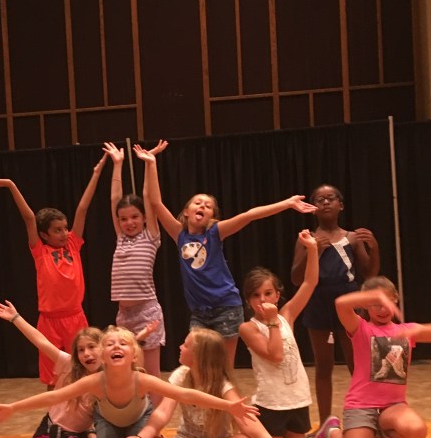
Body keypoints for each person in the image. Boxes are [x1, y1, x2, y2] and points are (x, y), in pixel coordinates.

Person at [0, 324, 258, 438]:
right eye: (110, 345)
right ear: (103, 356)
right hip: (108, 423)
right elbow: (55, 396)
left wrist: (228, 405)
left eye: (123, 345)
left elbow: (186, 395)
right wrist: (14, 407)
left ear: (134, 355)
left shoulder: (142, 379)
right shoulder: (96, 380)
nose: (116, 347)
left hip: (137, 423)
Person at [135, 143, 316, 369]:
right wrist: (151, 163)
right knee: (197, 364)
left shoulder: (214, 233)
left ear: (212, 216)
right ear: (186, 212)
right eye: (198, 203)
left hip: (226, 307)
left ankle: (224, 394)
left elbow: (249, 215)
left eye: (208, 206)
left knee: (224, 368)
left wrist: (287, 204)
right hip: (199, 312)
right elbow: (155, 202)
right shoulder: (179, 234)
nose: (203, 206)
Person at [0, 153, 107, 387]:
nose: (64, 233)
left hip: (75, 317)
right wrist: (11, 185)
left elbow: (82, 208)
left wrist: (96, 173)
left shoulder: (73, 244)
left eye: (65, 228)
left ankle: (86, 407)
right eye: (57, 230)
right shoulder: (40, 251)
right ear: (44, 234)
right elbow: (29, 217)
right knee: (53, 377)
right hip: (49, 321)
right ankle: (54, 409)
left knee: (84, 371)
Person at [120, 327, 296, 438]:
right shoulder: (180, 375)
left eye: (185, 345)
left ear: (198, 356)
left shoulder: (223, 384)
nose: (180, 347)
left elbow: (247, 420)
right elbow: (163, 413)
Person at [314, 276, 431, 438]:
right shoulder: (360, 327)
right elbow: (341, 304)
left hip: (393, 407)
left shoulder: (405, 330)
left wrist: (417, 332)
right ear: (365, 305)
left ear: (395, 300)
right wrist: (375, 296)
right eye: (375, 305)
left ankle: (386, 436)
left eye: (387, 302)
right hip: (361, 405)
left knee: (417, 432)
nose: (382, 309)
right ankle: (332, 431)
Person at [290, 183, 379, 438]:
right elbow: (296, 278)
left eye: (331, 198)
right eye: (320, 199)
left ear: (341, 205)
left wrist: (374, 248)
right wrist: (314, 251)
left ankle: (366, 425)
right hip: (318, 301)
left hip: (348, 302)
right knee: (323, 366)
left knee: (357, 365)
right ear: (313, 208)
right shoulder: (306, 238)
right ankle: (324, 425)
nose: (326, 202)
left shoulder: (352, 238)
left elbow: (369, 274)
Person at [238, 229, 320, 438]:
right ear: (248, 300)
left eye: (268, 293)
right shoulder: (248, 328)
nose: (262, 300)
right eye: (256, 295)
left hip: (297, 398)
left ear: (277, 295)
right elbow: (275, 355)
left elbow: (310, 282)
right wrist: (272, 321)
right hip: (272, 402)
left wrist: (312, 249)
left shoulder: (287, 315)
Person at [0, 299, 102, 438]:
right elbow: (41, 341)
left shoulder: (107, 379)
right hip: (50, 428)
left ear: (104, 349)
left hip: (76, 435)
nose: (86, 354)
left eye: (92, 347)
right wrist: (15, 318)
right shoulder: (68, 364)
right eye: (81, 350)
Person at [103, 140, 165, 398]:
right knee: (129, 374)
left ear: (144, 218)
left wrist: (150, 165)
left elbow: (150, 199)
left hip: (146, 312)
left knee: (151, 375)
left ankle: (157, 419)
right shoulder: (121, 238)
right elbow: (114, 199)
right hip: (124, 315)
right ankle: (136, 416)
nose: (129, 222)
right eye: (123, 218)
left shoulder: (150, 236)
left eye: (135, 217)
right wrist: (117, 164)